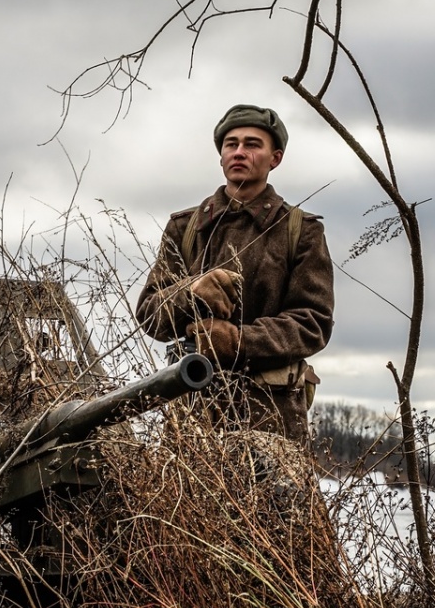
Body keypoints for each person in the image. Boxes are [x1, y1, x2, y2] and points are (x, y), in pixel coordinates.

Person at [136, 104, 334, 443]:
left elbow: (313, 323)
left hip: (272, 415)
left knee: (274, 498)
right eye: (231, 144)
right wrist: (192, 292)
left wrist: (235, 341)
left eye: (253, 144)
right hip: (192, 411)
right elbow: (150, 316)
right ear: (221, 156)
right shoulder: (185, 228)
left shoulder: (301, 231)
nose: (239, 152)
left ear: (275, 158)